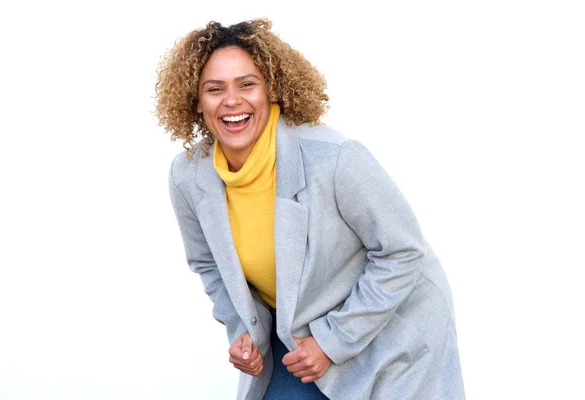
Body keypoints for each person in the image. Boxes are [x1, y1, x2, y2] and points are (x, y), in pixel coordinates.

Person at [155, 19, 465, 400]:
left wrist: (331, 342)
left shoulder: (334, 159)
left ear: (272, 89)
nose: (231, 100)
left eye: (247, 84)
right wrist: (242, 331)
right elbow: (209, 264)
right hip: (299, 335)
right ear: (195, 101)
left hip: (390, 333)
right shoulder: (188, 175)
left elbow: (403, 252)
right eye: (214, 89)